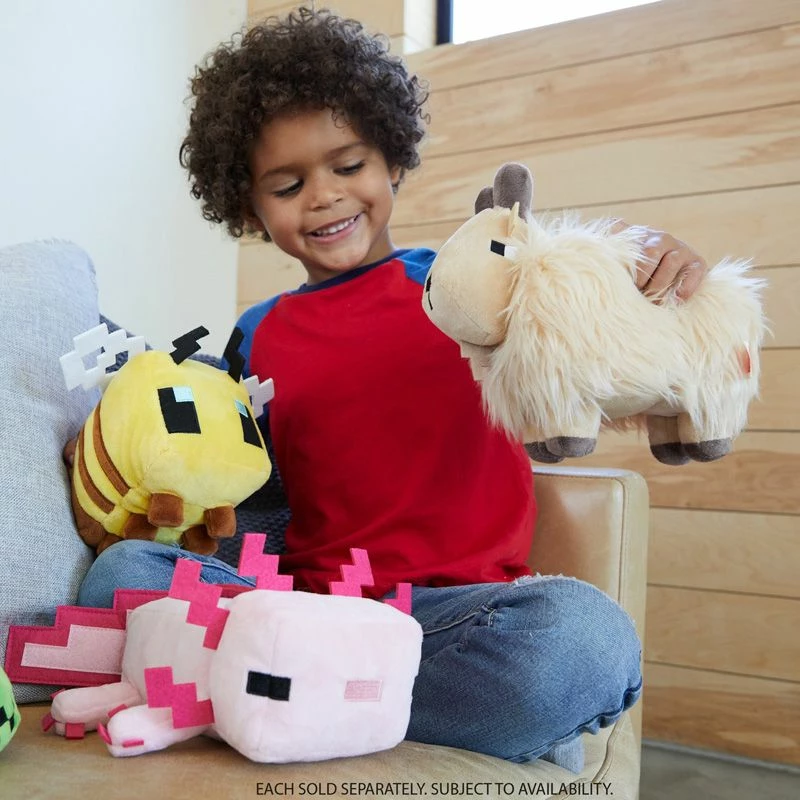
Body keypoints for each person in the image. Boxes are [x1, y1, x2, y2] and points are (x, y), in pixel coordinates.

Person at [78, 7, 709, 768]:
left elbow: (592, 311)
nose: (324, 196)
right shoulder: (255, 335)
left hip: (450, 618)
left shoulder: (474, 287)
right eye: (288, 184)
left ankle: (274, 696)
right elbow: (245, 494)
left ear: (393, 162)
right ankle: (306, 691)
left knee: (582, 639)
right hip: (301, 614)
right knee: (123, 574)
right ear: (249, 207)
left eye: (349, 167)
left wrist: (644, 262)